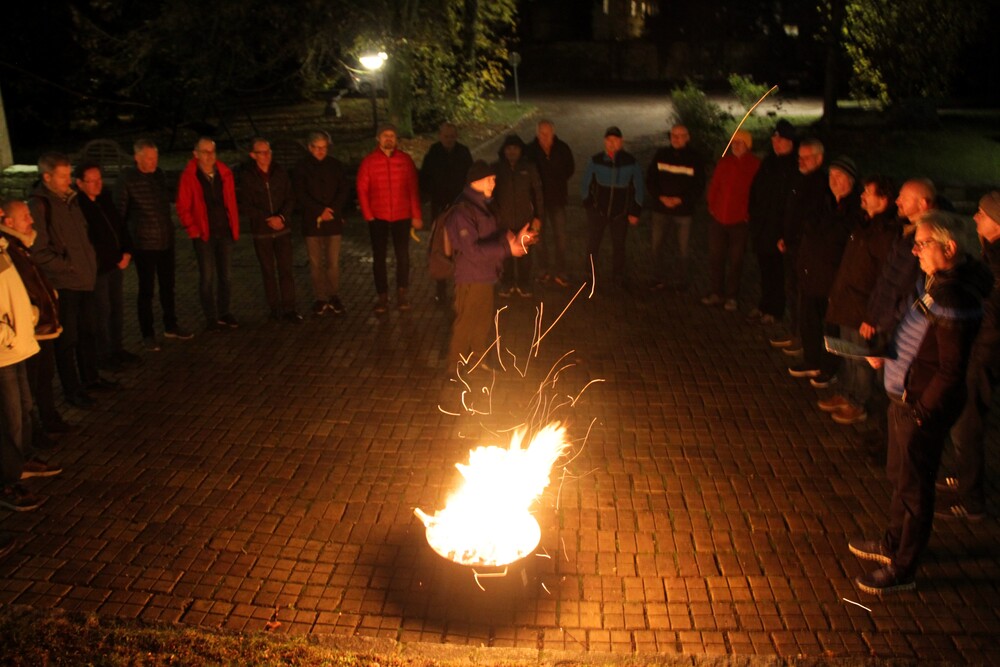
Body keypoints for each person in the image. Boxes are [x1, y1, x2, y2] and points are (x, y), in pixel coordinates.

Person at [849, 211, 989, 595]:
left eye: (923, 243)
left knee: (915, 488)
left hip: (920, 407)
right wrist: (888, 351)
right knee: (900, 477)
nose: (915, 249)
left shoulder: (956, 296)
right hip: (905, 398)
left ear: (950, 247)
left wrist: (923, 413)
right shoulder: (937, 281)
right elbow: (918, 338)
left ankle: (904, 567)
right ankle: (894, 543)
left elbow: (949, 369)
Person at [29, 153, 115, 409]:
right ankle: (72, 389)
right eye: (63, 176)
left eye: (69, 175)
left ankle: (90, 378)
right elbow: (40, 250)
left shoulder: (70, 200)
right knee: (68, 339)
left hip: (84, 278)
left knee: (88, 332)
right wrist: (69, 266)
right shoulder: (41, 205)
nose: (68, 181)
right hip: (65, 283)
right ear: (47, 177)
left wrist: (88, 261)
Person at [938, 191, 1000, 522]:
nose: (975, 218)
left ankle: (972, 500)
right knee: (963, 419)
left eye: (982, 214)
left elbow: (989, 315)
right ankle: (965, 478)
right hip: (979, 348)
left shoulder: (997, 263)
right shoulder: (989, 255)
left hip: (982, 352)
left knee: (968, 423)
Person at [820, 175, 898, 425]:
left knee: (861, 355)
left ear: (883, 199)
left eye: (868, 192)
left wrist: (872, 315)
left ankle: (858, 402)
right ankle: (846, 391)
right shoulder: (865, 223)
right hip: (848, 298)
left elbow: (885, 277)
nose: (862, 196)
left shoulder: (886, 232)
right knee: (847, 351)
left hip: (863, 304)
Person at [445, 161, 534, 373]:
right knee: (465, 322)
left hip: (486, 274)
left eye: (494, 178)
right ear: (475, 181)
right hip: (470, 276)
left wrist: (515, 238)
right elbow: (472, 251)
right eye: (490, 179)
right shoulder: (462, 211)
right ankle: (454, 367)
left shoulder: (485, 204)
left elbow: (495, 231)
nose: (494, 183)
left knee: (483, 320)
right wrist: (507, 249)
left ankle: (478, 358)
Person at [0, 212, 60, 514]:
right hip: (4, 350)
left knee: (22, 406)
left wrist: (29, 316)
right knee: (10, 415)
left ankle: (20, 461)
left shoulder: (4, 248)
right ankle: (8, 479)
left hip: (18, 344)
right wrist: (7, 333)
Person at [115, 139, 193, 350]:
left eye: (155, 158)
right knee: (146, 290)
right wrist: (124, 246)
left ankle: (171, 325)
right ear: (137, 157)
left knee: (168, 286)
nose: (153, 162)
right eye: (148, 158)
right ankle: (147, 333)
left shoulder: (159, 175)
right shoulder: (127, 180)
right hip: (144, 243)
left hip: (165, 240)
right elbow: (120, 215)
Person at [788, 156, 859, 385]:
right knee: (809, 320)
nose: (834, 181)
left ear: (851, 181)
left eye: (839, 177)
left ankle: (829, 367)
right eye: (832, 176)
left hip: (833, 278)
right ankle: (811, 360)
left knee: (831, 328)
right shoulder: (822, 202)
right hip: (812, 273)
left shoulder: (854, 209)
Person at [0, 200, 67, 439]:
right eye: (25, 216)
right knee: (21, 396)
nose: (31, 220)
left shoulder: (16, 246)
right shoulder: (10, 249)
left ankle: (38, 432)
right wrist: (29, 317)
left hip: (31, 331)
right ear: (9, 222)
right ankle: (29, 442)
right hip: (21, 336)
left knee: (37, 383)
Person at [74, 164, 140, 371]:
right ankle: (103, 355)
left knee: (117, 309)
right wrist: (111, 260)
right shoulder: (80, 207)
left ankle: (116, 348)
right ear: (80, 183)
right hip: (100, 269)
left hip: (115, 264)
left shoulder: (104, 200)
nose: (97, 184)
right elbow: (90, 243)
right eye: (92, 181)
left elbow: (119, 227)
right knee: (101, 312)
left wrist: (127, 250)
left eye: (99, 179)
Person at [356, 123, 423, 313]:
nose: (389, 139)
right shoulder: (369, 162)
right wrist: (368, 214)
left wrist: (416, 215)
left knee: (403, 257)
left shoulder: (405, 160)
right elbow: (362, 189)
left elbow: (413, 189)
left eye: (392, 135)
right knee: (379, 258)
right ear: (378, 138)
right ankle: (382, 297)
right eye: (385, 135)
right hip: (378, 216)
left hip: (402, 215)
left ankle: (402, 294)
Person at [176, 137, 240, 331]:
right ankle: (211, 316)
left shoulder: (224, 173)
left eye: (212, 151)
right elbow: (183, 206)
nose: (209, 155)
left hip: (224, 231)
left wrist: (233, 225)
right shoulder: (190, 176)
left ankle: (224, 312)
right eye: (205, 152)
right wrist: (193, 229)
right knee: (207, 277)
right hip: (204, 234)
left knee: (226, 276)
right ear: (195, 154)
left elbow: (230, 200)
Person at [771, 138, 828, 353]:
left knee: (803, 295)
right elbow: (789, 211)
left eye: (806, 158)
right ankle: (794, 330)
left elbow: (811, 218)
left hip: (805, 249)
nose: (801, 162)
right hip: (791, 245)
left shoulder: (820, 184)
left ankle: (803, 338)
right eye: (800, 158)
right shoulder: (797, 178)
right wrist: (783, 235)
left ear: (819, 158)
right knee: (792, 290)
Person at [236, 138, 300, 323]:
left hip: (282, 229)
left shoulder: (279, 172)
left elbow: (290, 197)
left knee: (286, 269)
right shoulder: (248, 176)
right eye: (262, 152)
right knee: (267, 271)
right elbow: (246, 205)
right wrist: (267, 218)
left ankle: (289, 308)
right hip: (262, 230)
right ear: (253, 155)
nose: (266, 156)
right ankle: (274, 308)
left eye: (269, 151)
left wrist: (281, 217)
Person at [292, 131, 351, 317]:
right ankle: (320, 297)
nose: (320, 151)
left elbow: (344, 190)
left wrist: (332, 209)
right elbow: (300, 194)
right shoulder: (301, 168)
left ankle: (333, 295)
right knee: (316, 262)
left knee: (332, 262)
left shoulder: (336, 165)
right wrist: (319, 210)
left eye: (323, 148)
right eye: (317, 148)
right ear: (310, 148)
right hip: (312, 222)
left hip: (332, 220)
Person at [703, 130, 760, 311]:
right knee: (716, 258)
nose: (736, 145)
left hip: (739, 222)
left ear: (748, 145)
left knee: (736, 261)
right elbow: (714, 186)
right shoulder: (724, 162)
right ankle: (716, 292)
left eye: (740, 142)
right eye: (734, 142)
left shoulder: (755, 165)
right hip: (719, 219)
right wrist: (712, 206)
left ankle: (732, 296)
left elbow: (757, 194)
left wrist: (748, 215)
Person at [581, 126, 644, 290]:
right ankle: (589, 272)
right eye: (609, 140)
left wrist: (635, 211)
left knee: (619, 245)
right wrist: (589, 205)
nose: (611, 143)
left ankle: (618, 274)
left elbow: (639, 187)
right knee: (593, 243)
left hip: (620, 213)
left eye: (615, 140)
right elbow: (584, 184)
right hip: (598, 211)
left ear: (621, 142)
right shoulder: (595, 160)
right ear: (604, 141)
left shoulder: (630, 161)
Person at [748, 119, 798, 325]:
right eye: (774, 139)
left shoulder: (793, 166)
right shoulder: (768, 162)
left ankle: (775, 309)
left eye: (781, 140)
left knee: (777, 271)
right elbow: (756, 190)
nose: (776, 143)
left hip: (778, 229)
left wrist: (785, 232)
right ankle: (764, 303)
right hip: (762, 226)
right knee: (764, 268)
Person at [420, 122, 473, 304]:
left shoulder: (464, 153)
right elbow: (425, 179)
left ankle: (461, 286)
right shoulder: (433, 154)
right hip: (440, 208)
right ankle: (440, 289)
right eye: (446, 136)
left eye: (452, 136)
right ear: (440, 136)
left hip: (460, 208)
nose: (449, 140)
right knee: (440, 249)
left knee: (462, 248)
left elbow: (470, 178)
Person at [646, 124, 704, 290]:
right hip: (661, 209)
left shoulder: (695, 158)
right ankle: (656, 277)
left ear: (687, 137)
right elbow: (651, 179)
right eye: (673, 135)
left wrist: (681, 200)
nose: (676, 138)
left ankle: (681, 280)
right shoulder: (661, 154)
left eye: (680, 135)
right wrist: (660, 197)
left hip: (683, 212)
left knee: (683, 248)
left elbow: (698, 185)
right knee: (657, 246)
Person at [524, 119, 575, 287]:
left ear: (553, 133)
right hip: (538, 204)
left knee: (561, 236)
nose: (544, 136)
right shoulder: (530, 150)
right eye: (541, 133)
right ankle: (543, 270)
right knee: (539, 238)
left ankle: (561, 271)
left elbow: (570, 169)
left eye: (547, 133)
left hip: (557, 200)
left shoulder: (562, 148)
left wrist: (557, 182)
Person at [492, 134, 544, 298]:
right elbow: (490, 195)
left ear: (521, 150)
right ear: (504, 151)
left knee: (525, 254)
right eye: (509, 149)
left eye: (515, 148)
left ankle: (524, 282)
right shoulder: (497, 169)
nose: (512, 152)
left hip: (525, 219)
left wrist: (538, 216)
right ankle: (506, 282)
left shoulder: (529, 167)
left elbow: (537, 193)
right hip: (503, 220)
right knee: (505, 254)